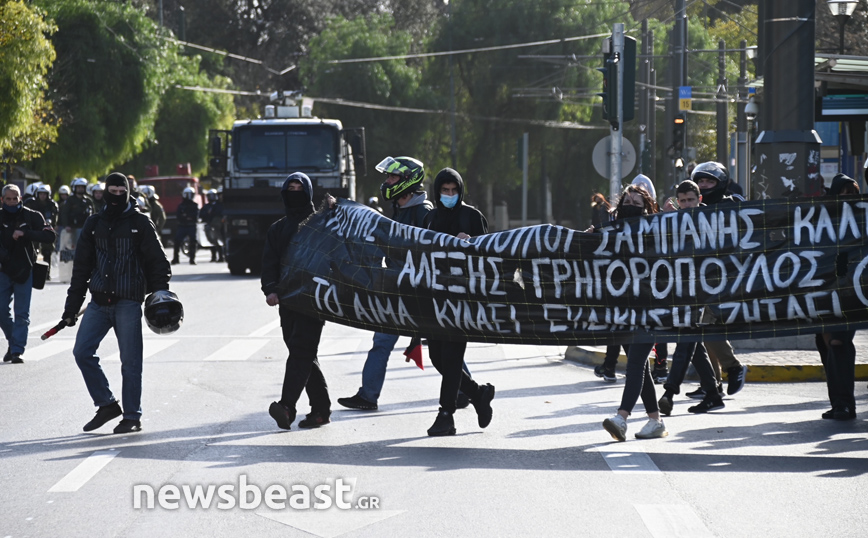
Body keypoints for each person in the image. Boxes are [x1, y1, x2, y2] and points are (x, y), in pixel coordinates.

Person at [62, 172, 172, 434]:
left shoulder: (141, 223)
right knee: (82, 352)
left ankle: (132, 417)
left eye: (121, 191)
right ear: (103, 193)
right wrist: (71, 308)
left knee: (131, 363)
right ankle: (107, 405)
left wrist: (160, 296)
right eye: (112, 191)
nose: (116, 196)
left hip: (128, 302)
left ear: (128, 191)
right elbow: (81, 268)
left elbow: (159, 263)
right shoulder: (93, 223)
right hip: (98, 303)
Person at [338, 156, 437, 411]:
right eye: (388, 177)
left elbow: (433, 250)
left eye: (392, 177)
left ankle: (465, 388)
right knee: (381, 342)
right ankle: (368, 396)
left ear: (408, 181)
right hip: (396, 289)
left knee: (441, 343)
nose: (387, 181)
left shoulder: (424, 212)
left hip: (420, 291)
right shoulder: (399, 209)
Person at [422, 167, 496, 437]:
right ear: (438, 192)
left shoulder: (472, 216)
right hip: (434, 299)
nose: (450, 195)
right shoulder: (430, 218)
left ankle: (446, 414)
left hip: (462, 300)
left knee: (452, 358)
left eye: (454, 191)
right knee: (437, 358)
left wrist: (471, 242)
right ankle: (479, 394)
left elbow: (489, 254)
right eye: (445, 191)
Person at [264, 173, 332, 430]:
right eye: (290, 188)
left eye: (299, 188)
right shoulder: (278, 228)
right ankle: (321, 410)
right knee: (301, 353)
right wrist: (270, 290)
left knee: (301, 351)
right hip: (287, 301)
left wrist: (335, 210)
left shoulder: (322, 223)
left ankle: (287, 406)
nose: (294, 192)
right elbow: (269, 263)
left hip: (314, 300)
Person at [601, 184, 668, 441]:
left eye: (636, 205)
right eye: (626, 202)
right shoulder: (611, 233)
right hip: (623, 310)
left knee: (636, 364)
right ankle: (655, 421)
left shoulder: (658, 236)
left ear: (648, 209)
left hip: (651, 309)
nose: (630, 207)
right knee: (639, 368)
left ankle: (622, 417)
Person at [654, 180, 725, 416]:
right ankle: (713, 394)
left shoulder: (711, 220)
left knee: (685, 341)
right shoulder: (673, 222)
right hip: (683, 292)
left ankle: (669, 393)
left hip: (706, 294)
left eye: (690, 200)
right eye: (682, 201)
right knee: (693, 346)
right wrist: (664, 219)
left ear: (699, 200)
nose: (686, 205)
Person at [689, 161, 748, 398]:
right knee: (703, 331)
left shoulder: (733, 206)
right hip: (698, 280)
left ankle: (733, 368)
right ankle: (712, 384)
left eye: (709, 181)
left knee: (706, 329)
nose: (704, 186)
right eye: (700, 181)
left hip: (726, 279)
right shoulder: (691, 208)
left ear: (721, 184)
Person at [816, 173, 860, 420]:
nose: (847, 200)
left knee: (838, 342)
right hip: (826, 289)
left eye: (852, 195)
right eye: (842, 195)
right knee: (826, 343)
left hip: (853, 292)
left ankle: (843, 403)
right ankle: (839, 402)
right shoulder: (824, 219)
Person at [0, 185, 56, 364]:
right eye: (8, 199)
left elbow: (50, 236)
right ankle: (12, 341)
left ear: (21, 198)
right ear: (2, 200)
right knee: (1, 310)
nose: (11, 202)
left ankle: (17, 350)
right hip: (3, 270)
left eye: (15, 198)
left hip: (25, 269)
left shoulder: (32, 215)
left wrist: (25, 233)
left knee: (22, 313)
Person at [24, 184, 59, 277]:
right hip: (34, 230)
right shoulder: (31, 203)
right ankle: (32, 272)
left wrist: (52, 226)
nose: (42, 196)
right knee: (33, 250)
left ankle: (47, 272)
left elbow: (55, 217)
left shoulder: (52, 205)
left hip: (46, 230)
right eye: (40, 194)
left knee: (47, 251)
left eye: (44, 194)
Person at [59, 177, 94, 247]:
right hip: (72, 228)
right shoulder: (70, 200)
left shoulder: (88, 201)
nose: (80, 189)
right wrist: (66, 225)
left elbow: (93, 214)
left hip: (85, 228)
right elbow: (64, 213)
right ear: (75, 188)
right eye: (78, 187)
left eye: (82, 187)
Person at [172, 186, 198, 265]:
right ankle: (176, 258)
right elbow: (179, 215)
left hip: (191, 225)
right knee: (177, 241)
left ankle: (192, 258)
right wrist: (186, 217)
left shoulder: (194, 205)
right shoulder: (181, 205)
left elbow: (195, 215)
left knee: (193, 241)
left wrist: (186, 216)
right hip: (182, 226)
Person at [200, 189, 224, 262]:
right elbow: (201, 215)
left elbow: (219, 214)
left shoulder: (219, 205)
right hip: (209, 225)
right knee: (211, 241)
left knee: (219, 241)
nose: (211, 197)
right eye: (210, 196)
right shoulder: (206, 206)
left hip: (218, 226)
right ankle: (213, 256)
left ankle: (221, 256)